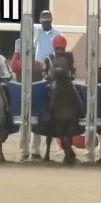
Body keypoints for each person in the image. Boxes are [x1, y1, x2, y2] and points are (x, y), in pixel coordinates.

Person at [22, 10, 60, 161]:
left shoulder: (57, 34)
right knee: (36, 109)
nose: (46, 23)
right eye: (43, 21)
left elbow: (59, 53)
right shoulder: (36, 32)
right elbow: (30, 50)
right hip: (37, 72)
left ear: (51, 20)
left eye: (48, 20)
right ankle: (33, 150)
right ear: (40, 21)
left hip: (53, 71)